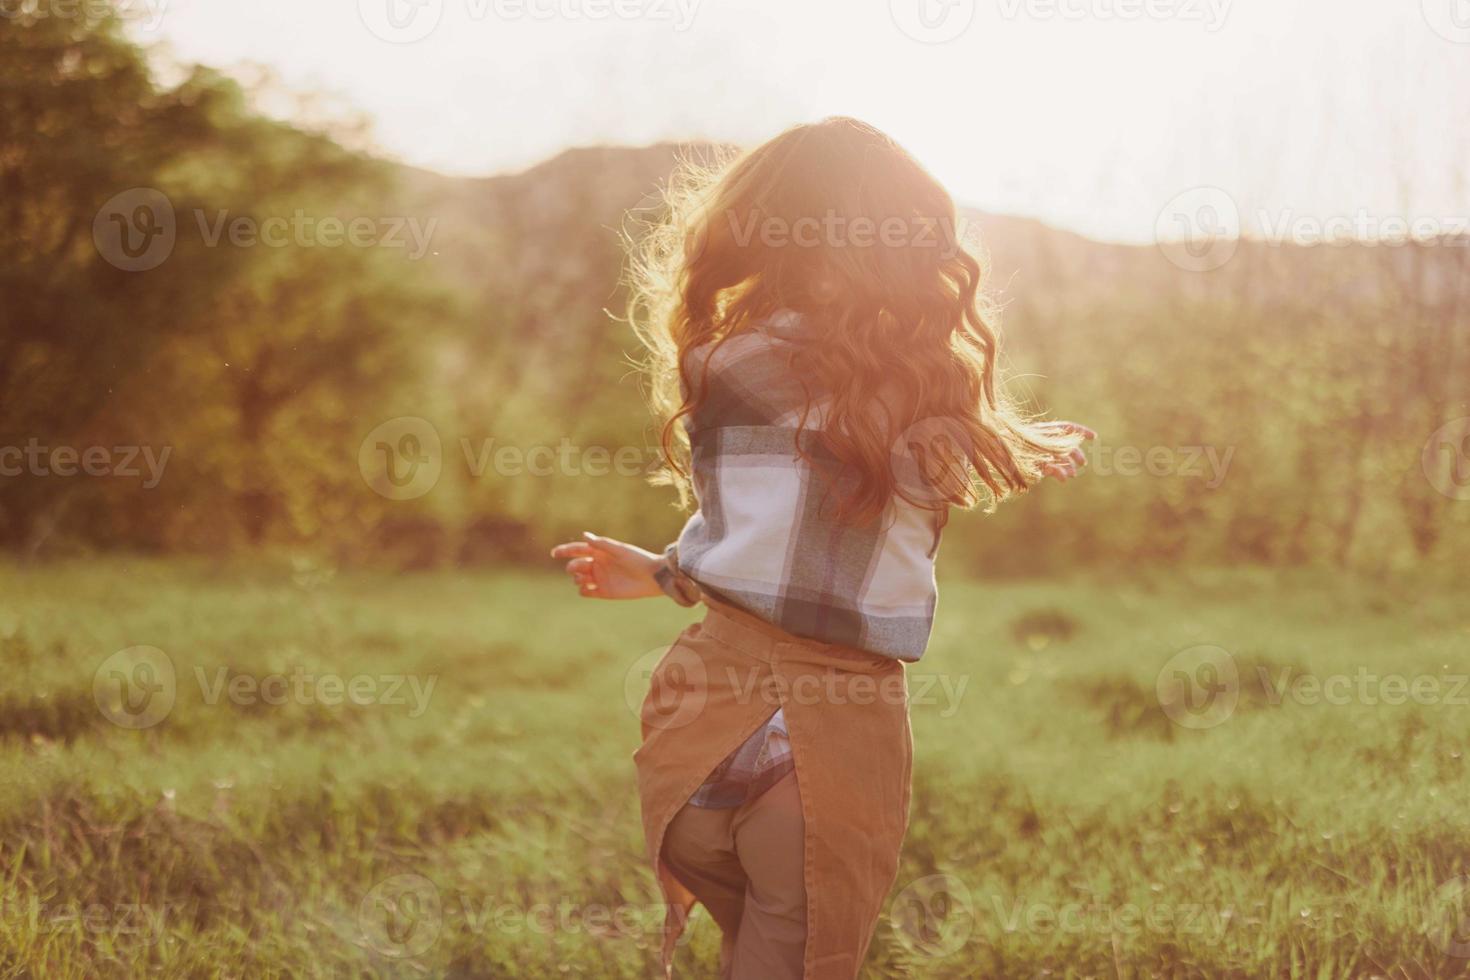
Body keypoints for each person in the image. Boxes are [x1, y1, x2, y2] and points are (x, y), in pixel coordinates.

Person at [552, 117, 1093, 980]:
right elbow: (859, 498)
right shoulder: (923, 381)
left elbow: (768, 527)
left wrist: (661, 572)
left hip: (699, 724)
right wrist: (1025, 445)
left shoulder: (718, 361)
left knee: (749, 946)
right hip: (827, 740)